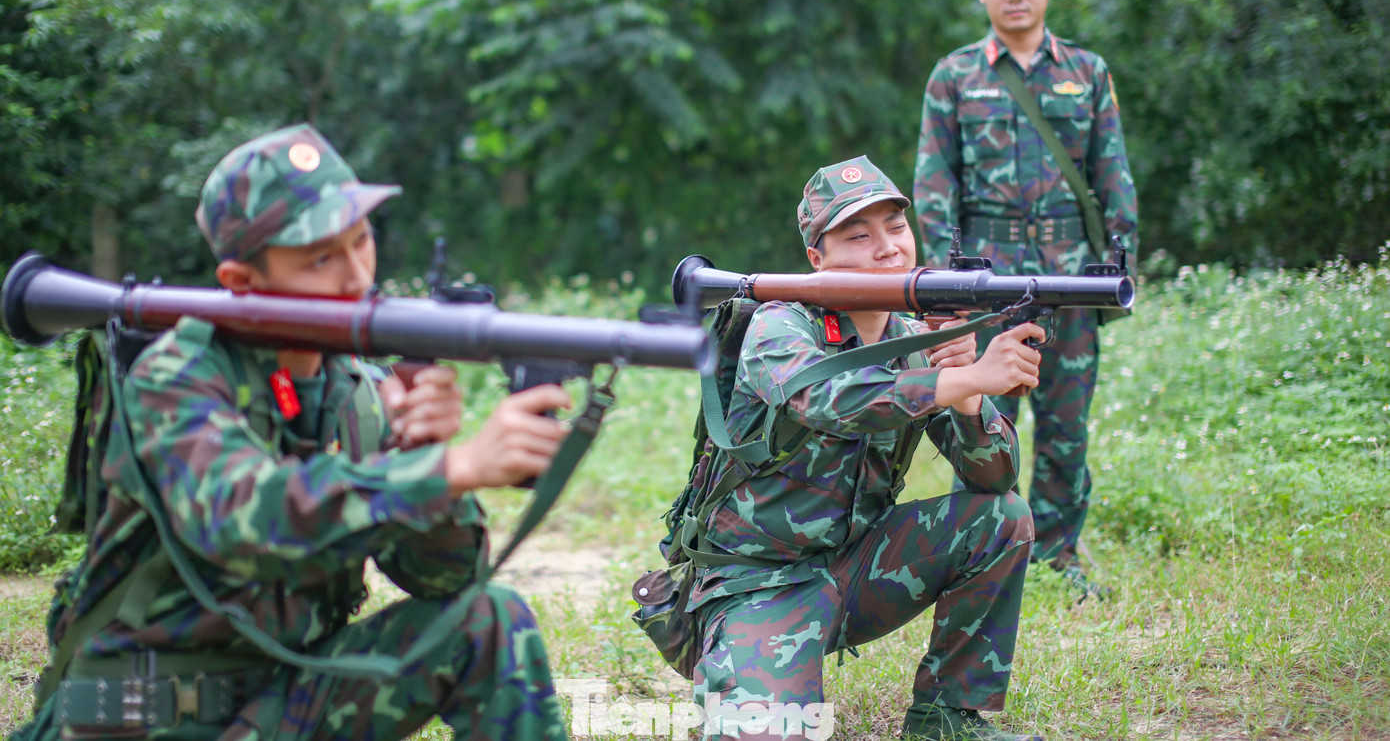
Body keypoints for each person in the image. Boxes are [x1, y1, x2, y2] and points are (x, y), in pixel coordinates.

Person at [12, 124, 571, 740]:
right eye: (321, 258)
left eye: (362, 241)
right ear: (242, 282)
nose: (356, 276)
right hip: (146, 720)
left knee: (489, 619)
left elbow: (446, 580)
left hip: (279, 704)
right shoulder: (177, 376)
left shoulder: (356, 390)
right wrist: (451, 468)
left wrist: (420, 453)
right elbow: (243, 519)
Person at [684, 156, 1046, 740]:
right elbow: (828, 399)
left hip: (854, 568)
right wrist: (970, 377)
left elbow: (994, 480)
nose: (887, 249)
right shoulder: (779, 325)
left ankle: (944, 718)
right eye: (859, 235)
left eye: (896, 229)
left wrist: (967, 399)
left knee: (1001, 519)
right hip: (760, 584)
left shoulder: (913, 338)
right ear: (817, 259)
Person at [913, 0, 1139, 594]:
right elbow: (933, 182)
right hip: (987, 275)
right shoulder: (954, 76)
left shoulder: (1086, 73)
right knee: (984, 416)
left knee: (1067, 421)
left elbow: (1113, 175)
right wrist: (945, 283)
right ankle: (982, 548)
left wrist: (1120, 265)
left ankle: (1059, 555)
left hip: (1071, 274)